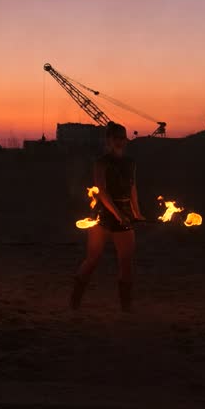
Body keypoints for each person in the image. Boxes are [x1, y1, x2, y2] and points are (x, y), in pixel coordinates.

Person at [70, 122, 145, 311]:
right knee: (92, 259)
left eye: (122, 138)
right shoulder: (101, 162)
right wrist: (118, 214)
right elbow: (102, 191)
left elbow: (132, 189)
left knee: (126, 262)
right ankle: (75, 301)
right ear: (109, 140)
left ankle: (126, 308)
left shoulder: (130, 163)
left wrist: (137, 213)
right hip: (102, 217)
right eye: (116, 138)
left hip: (124, 216)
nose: (120, 142)